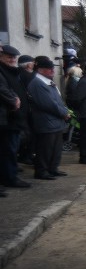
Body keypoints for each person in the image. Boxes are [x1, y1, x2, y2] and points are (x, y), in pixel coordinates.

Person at [27, 56, 71, 180]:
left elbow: (58, 101)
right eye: (49, 68)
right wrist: (64, 113)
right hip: (46, 121)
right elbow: (48, 104)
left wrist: (64, 111)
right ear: (40, 70)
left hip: (54, 122)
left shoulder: (47, 81)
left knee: (55, 148)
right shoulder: (37, 83)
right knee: (45, 149)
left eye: (52, 68)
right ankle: (42, 171)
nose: (52, 70)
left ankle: (52, 168)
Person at [0, 45, 31, 188]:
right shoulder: (3, 71)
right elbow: (3, 89)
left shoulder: (14, 72)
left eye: (14, 57)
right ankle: (10, 178)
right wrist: (14, 99)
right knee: (8, 150)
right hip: (7, 118)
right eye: (9, 57)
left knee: (12, 149)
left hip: (15, 118)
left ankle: (9, 176)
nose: (12, 59)